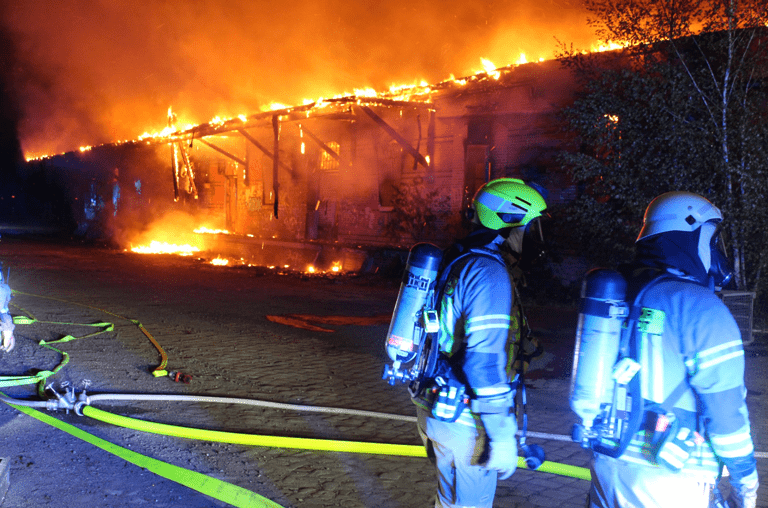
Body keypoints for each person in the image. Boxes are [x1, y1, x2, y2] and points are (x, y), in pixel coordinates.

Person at [586, 191, 759, 508]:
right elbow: (726, 416)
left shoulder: (620, 290)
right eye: (710, 238)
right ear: (692, 236)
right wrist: (746, 481)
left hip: (609, 462)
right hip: (668, 477)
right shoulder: (700, 306)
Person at [411, 178, 548, 508]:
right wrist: (499, 431)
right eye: (532, 227)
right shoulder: (488, 272)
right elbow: (482, 362)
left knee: (450, 500)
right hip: (466, 418)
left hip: (438, 405)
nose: (535, 237)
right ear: (510, 222)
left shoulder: (459, 259)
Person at [0, 269, 14, 352]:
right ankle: (7, 341)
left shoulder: (5, 288)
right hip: (4, 312)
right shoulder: (6, 287)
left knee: (7, 327)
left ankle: (7, 340)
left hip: (3, 312)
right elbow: (7, 299)